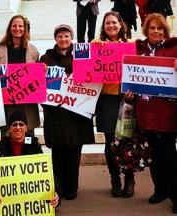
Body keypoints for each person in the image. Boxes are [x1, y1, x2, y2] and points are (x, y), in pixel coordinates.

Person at [125, 13, 177, 214]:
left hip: (168, 113)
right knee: (153, 155)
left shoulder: (174, 48)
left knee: (169, 157)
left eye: (160, 28)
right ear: (146, 30)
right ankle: (160, 190)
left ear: (165, 30)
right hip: (145, 112)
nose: (156, 31)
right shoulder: (138, 49)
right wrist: (129, 93)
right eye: (152, 28)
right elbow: (130, 77)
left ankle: (175, 195)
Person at [40, 24, 95, 200]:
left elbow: (93, 75)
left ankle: (72, 188)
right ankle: (59, 188)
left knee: (73, 153)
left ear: (71, 38)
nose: (63, 39)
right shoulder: (45, 58)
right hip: (56, 114)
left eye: (66, 36)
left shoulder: (82, 54)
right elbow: (40, 86)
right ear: (55, 38)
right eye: (60, 36)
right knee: (58, 153)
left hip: (76, 114)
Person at [0, 110, 59, 216]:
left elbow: (48, 174)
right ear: (9, 128)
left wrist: (55, 194)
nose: (18, 127)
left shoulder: (34, 146)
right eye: (14, 124)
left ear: (26, 128)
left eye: (21, 124)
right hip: (8, 201)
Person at [93, 11, 135, 198]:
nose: (110, 26)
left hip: (125, 98)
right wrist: (98, 48)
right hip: (106, 99)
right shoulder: (96, 44)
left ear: (121, 25)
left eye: (114, 23)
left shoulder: (131, 45)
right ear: (103, 26)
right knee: (110, 142)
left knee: (126, 140)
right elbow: (84, 62)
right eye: (107, 23)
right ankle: (115, 179)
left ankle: (129, 178)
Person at [0, 15, 40, 138]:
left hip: (26, 105)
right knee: (6, 139)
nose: (17, 28)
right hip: (6, 105)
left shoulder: (33, 51)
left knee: (28, 140)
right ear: (10, 28)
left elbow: (37, 78)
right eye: (14, 25)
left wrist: (43, 70)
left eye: (21, 26)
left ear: (25, 29)